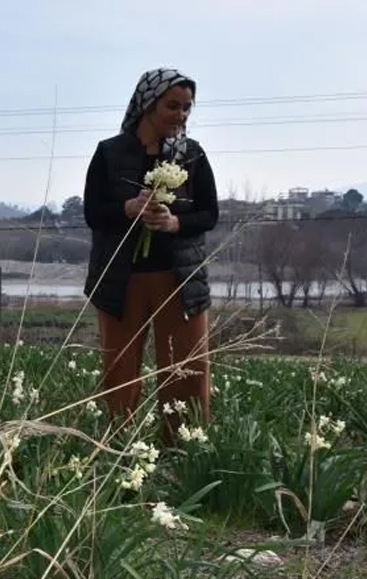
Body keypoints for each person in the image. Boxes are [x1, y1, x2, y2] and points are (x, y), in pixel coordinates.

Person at [81, 68, 219, 445]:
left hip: (180, 279)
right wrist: (127, 209)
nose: (181, 115)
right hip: (121, 280)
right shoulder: (110, 153)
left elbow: (210, 214)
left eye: (187, 108)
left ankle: (183, 448)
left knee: (186, 368)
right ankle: (119, 448)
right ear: (148, 105)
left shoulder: (192, 155)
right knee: (120, 369)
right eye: (173, 106)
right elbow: (93, 213)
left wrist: (175, 223)